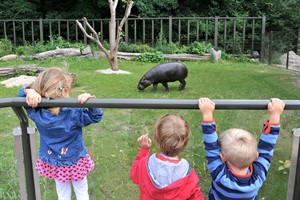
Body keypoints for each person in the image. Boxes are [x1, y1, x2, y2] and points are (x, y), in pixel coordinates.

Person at [17, 67, 104, 200]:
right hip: (75, 160)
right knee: (81, 192)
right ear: (64, 91)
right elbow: (96, 116)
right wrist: (90, 102)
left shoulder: (37, 113)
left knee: (62, 194)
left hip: (55, 162)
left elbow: (20, 95)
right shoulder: (73, 113)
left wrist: (28, 91)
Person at [198, 97, 285, 200]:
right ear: (256, 155)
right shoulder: (258, 176)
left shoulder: (220, 175)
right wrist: (275, 114)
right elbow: (267, 147)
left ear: (222, 157)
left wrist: (207, 113)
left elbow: (211, 146)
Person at [130, 113, 205, 200]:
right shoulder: (188, 174)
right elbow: (196, 197)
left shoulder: (144, 164)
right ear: (185, 143)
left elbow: (134, 176)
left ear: (156, 139)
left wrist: (144, 149)